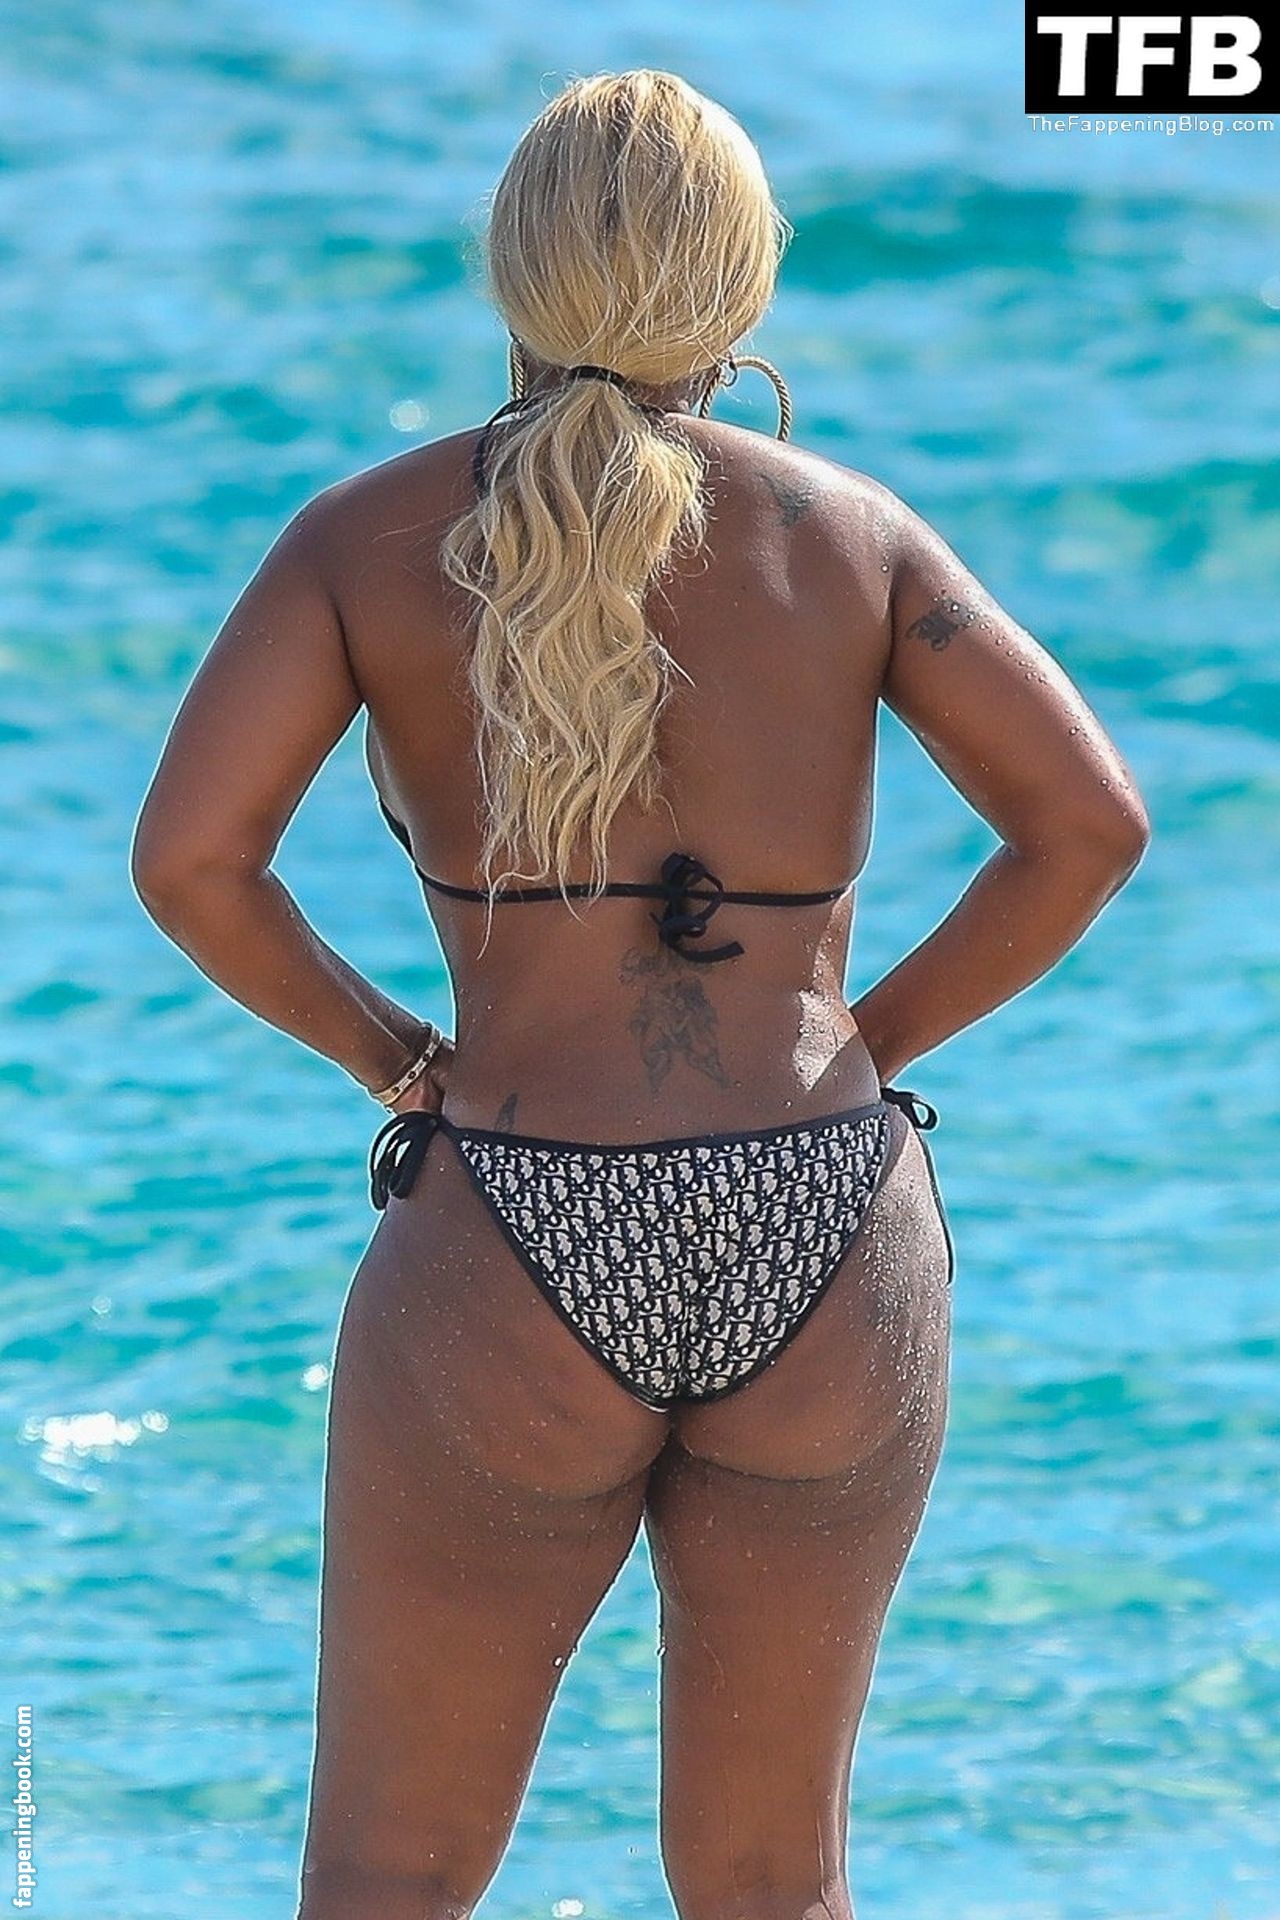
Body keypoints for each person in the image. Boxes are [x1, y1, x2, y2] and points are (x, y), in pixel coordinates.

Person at [131, 67, 1149, 1920]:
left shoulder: (364, 539)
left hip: (517, 1214)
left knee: (387, 1876)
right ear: (739, 282)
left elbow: (195, 864)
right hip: (821, 1206)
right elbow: (1085, 826)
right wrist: (871, 1044)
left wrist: (394, 1056)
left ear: (512, 272)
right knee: (770, 1880)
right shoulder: (852, 534)